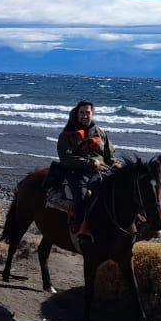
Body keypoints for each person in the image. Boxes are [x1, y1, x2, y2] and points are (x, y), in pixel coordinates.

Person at [56, 99, 115, 243]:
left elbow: (109, 156)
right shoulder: (67, 134)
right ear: (77, 114)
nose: (84, 115)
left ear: (92, 114)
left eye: (87, 112)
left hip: (101, 170)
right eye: (81, 112)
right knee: (81, 195)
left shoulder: (100, 133)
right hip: (77, 171)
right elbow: (65, 157)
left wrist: (117, 165)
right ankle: (82, 227)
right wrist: (89, 163)